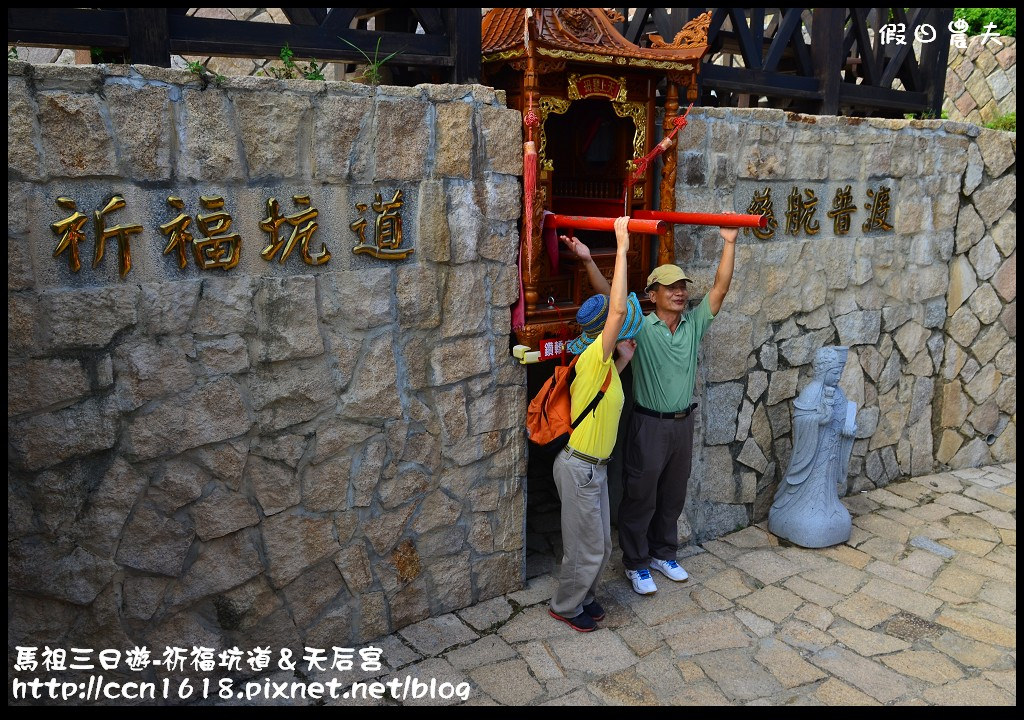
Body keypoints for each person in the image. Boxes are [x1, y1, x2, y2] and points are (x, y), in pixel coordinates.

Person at [561, 218, 740, 595]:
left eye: (682, 287)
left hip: (682, 424)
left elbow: (720, 289)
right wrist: (588, 260)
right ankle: (636, 562)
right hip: (648, 423)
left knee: (673, 493)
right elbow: (612, 301)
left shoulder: (693, 325)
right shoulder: (640, 326)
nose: (679, 292)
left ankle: (663, 552)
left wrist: (729, 243)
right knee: (641, 495)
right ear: (653, 294)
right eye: (669, 287)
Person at [548, 216, 643, 632]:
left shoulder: (602, 365)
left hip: (593, 469)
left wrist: (623, 360)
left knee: (600, 545)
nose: (618, 324)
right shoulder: (592, 357)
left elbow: (603, 396)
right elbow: (617, 306)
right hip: (581, 468)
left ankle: (584, 596)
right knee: (583, 549)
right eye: (611, 325)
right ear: (601, 332)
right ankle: (565, 606)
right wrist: (620, 247)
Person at [767, 346, 856, 548]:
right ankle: (801, 512)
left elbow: (843, 420)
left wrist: (848, 431)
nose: (838, 377)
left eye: (840, 373)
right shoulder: (811, 392)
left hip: (830, 452)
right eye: (834, 373)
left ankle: (828, 510)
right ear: (823, 371)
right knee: (813, 487)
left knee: (827, 485)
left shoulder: (839, 394)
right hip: (813, 456)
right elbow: (801, 420)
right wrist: (818, 419)